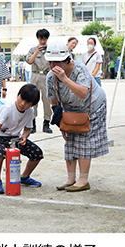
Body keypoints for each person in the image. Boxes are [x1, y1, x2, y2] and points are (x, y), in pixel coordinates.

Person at [45, 40, 109, 192]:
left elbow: (83, 93)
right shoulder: (50, 77)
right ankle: (70, 178)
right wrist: (61, 123)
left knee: (83, 140)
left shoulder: (80, 69)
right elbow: (54, 101)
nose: (53, 66)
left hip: (92, 107)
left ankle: (83, 179)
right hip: (70, 110)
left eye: (57, 62)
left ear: (67, 60)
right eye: (50, 62)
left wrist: (64, 79)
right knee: (70, 141)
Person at [0, 84, 44, 194]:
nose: (23, 104)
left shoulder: (30, 112)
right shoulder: (8, 108)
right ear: (18, 95)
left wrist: (24, 137)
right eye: (22, 98)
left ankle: (24, 177)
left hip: (14, 138)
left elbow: (27, 129)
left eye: (28, 103)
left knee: (37, 153)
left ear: (32, 105)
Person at [26, 28, 53, 134]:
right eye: (41, 39)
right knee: (33, 100)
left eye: (45, 39)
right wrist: (37, 51)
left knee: (47, 101)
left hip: (47, 76)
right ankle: (32, 123)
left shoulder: (50, 49)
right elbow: (29, 61)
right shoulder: (33, 49)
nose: (43, 41)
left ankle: (46, 123)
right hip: (35, 76)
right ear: (37, 38)